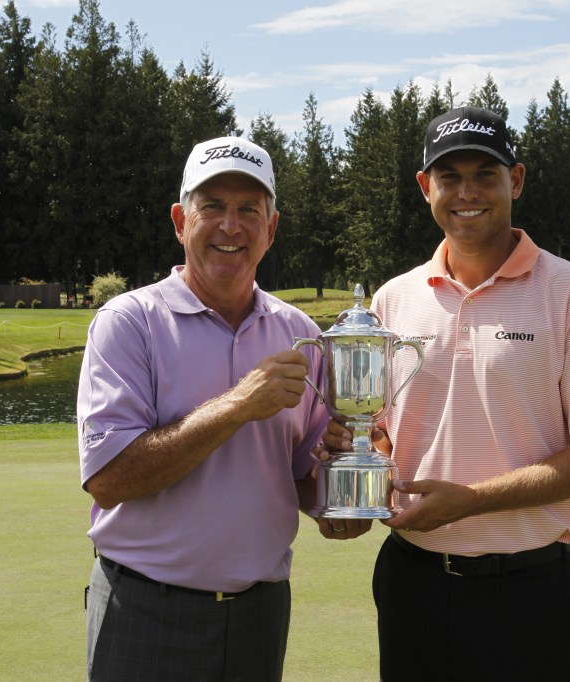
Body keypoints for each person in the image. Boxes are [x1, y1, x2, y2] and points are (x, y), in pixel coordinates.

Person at [324, 106, 570, 680]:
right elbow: (379, 430)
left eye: (485, 174)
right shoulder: (393, 301)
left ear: (514, 181)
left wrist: (470, 500)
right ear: (426, 188)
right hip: (412, 585)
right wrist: (353, 469)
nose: (466, 192)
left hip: (531, 592)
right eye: (449, 177)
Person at [77, 135, 366, 682]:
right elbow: (110, 478)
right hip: (145, 610)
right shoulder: (129, 322)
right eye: (211, 206)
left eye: (248, 210)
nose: (230, 225)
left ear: (271, 228)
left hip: (259, 613)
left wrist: (339, 503)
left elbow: (304, 475)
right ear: (180, 221)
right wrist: (237, 405)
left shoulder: (301, 335)